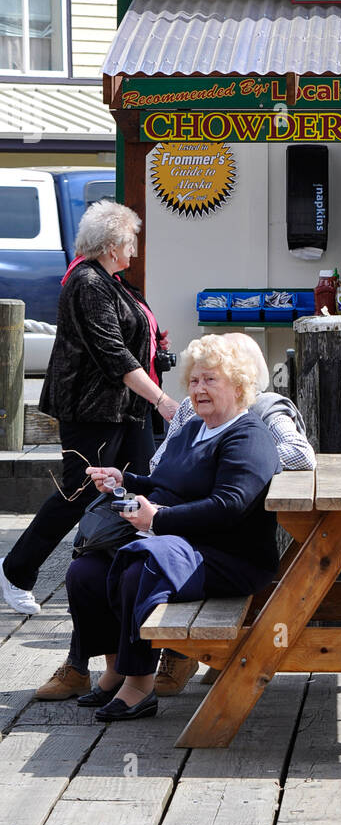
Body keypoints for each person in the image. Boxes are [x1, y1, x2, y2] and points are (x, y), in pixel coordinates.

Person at [36, 331, 315, 700]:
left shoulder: (249, 437)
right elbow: (164, 480)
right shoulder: (194, 428)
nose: (199, 388)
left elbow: (228, 505)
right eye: (195, 380)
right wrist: (125, 479)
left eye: (210, 379)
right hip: (178, 543)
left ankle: (139, 685)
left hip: (227, 555)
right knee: (84, 572)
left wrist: (158, 520)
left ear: (238, 384)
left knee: (139, 569)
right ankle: (115, 669)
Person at [0, 201, 178, 619]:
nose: (134, 248)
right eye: (130, 240)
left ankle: (130, 570)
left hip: (124, 409)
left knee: (139, 485)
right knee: (77, 492)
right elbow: (111, 353)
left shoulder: (113, 281)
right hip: (92, 409)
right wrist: (161, 400)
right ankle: (16, 570)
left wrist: (154, 346)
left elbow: (132, 334)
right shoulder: (88, 283)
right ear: (112, 244)